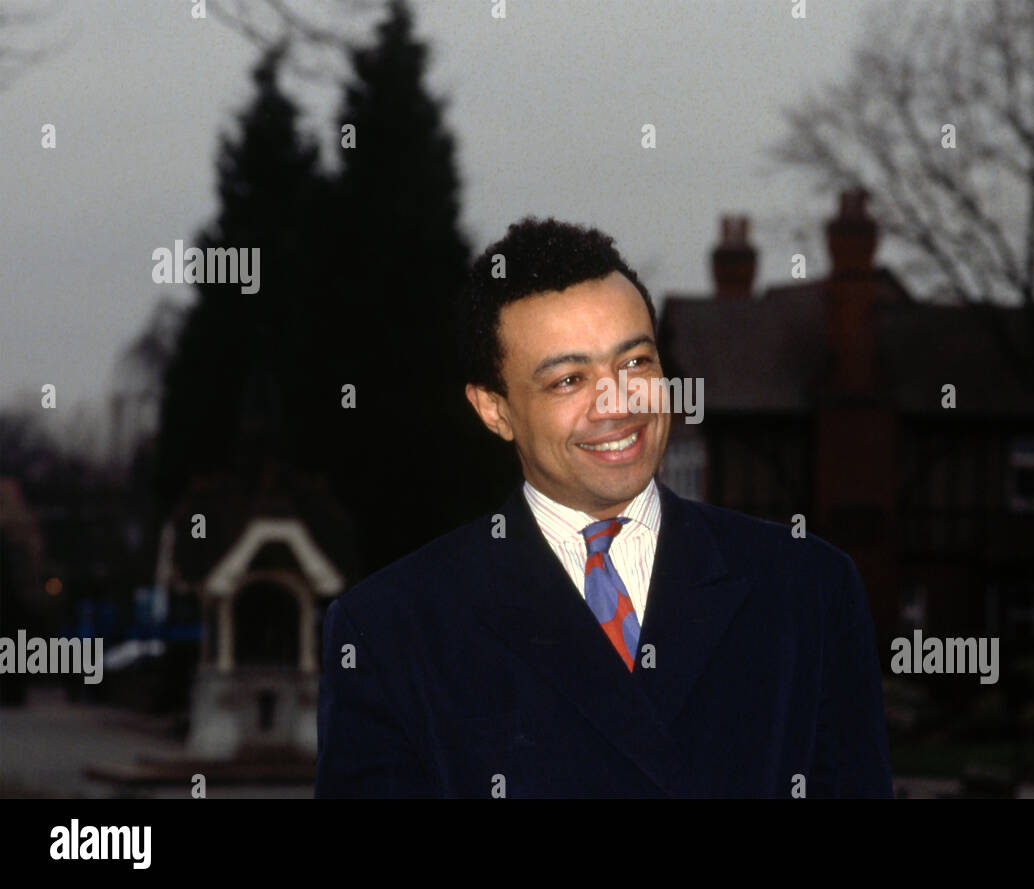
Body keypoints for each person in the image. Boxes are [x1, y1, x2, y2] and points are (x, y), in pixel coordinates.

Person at [315, 216, 893, 798]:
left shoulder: (807, 590)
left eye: (636, 362)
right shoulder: (391, 632)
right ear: (494, 409)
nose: (616, 402)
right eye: (569, 380)